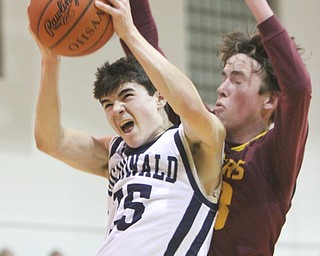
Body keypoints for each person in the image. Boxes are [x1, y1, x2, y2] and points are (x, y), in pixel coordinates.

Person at [28, 0, 225, 255]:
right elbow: (51, 141)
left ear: (160, 97)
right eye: (107, 104)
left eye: (127, 96)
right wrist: (50, 61)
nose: (116, 109)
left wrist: (130, 34)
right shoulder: (115, 152)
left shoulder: (194, 144)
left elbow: (190, 106)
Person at [124, 0, 312, 255]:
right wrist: (127, 21)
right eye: (224, 78)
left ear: (269, 99)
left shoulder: (273, 154)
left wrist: (257, 5)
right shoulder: (202, 130)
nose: (222, 88)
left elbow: (298, 89)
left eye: (237, 80)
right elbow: (152, 64)